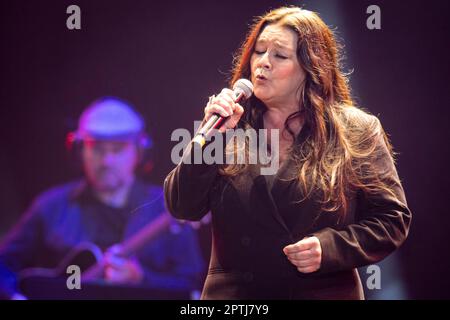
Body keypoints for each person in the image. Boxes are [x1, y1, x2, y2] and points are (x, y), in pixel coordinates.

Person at [164, 7, 412, 299]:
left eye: (279, 56)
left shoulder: (354, 129)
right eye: (258, 52)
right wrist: (208, 137)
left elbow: (391, 219)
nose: (262, 63)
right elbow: (182, 206)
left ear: (311, 67)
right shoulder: (229, 124)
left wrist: (331, 248)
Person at [0, 97, 204, 299]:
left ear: (140, 153)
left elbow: (193, 287)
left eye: (118, 149)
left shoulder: (169, 205)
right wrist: (14, 297)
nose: (107, 161)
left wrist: (142, 278)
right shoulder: (50, 207)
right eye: (97, 149)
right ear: (79, 151)